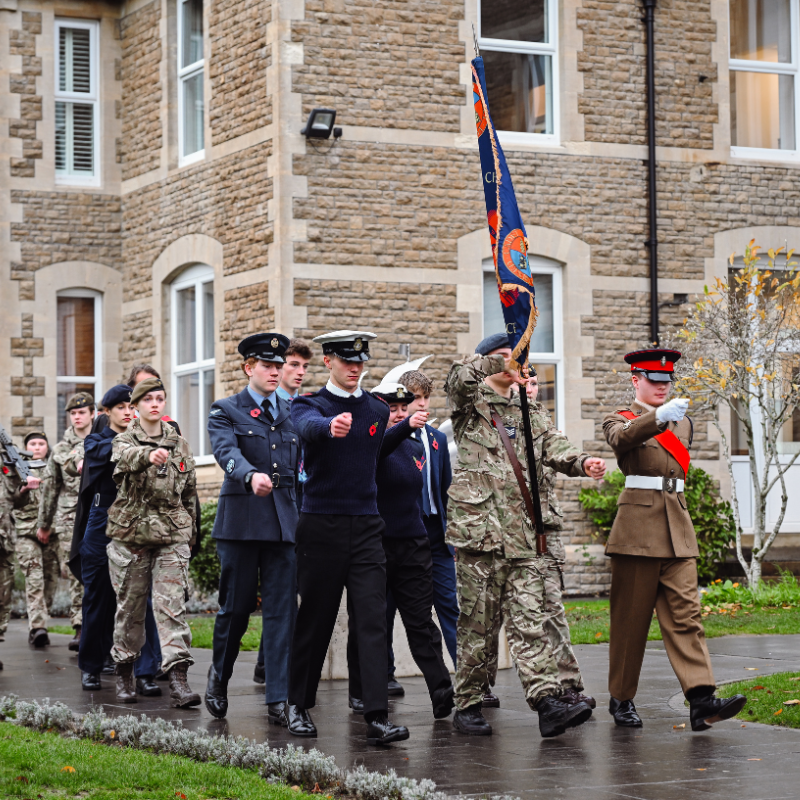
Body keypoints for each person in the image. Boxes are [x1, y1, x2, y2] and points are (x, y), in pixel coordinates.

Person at [445, 333, 607, 739]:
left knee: (530, 620)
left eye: (517, 358)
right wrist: (498, 362)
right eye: (504, 358)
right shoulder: (471, 406)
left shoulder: (530, 411)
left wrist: (583, 462)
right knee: (477, 628)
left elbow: (555, 446)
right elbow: (458, 380)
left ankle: (546, 701)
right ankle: (467, 703)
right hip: (480, 538)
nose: (514, 364)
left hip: (523, 537)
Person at [603, 348, 747, 731]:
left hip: (676, 527)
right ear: (636, 380)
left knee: (687, 616)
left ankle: (701, 699)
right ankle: (621, 698)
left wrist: (668, 418)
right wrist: (656, 419)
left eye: (667, 382)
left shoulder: (683, 424)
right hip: (637, 531)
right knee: (631, 621)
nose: (662, 388)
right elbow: (622, 440)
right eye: (654, 381)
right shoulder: (620, 418)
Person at [288, 330, 410, 745]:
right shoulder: (309, 405)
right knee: (316, 618)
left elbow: (370, 454)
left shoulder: (377, 408)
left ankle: (376, 714)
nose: (355, 368)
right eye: (346, 361)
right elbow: (308, 428)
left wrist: (405, 426)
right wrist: (329, 427)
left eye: (360, 362)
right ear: (328, 362)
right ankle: (297, 704)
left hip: (367, 525)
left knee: (373, 621)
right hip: (322, 525)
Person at [481, 369, 595, 710]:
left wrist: (585, 463)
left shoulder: (542, 425)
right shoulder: (489, 421)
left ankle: (567, 685)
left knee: (551, 609)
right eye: (524, 382)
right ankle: (478, 685)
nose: (530, 388)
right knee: (490, 614)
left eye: (534, 383)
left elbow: (563, 457)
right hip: (501, 534)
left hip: (543, 534)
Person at [204, 333, 300, 724]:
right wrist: (249, 476)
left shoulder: (293, 411)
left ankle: (278, 697)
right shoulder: (226, 409)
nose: (276, 372)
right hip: (241, 523)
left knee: (282, 613)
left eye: (280, 366)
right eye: (267, 366)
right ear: (249, 368)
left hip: (283, 525)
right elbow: (226, 454)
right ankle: (218, 677)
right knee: (236, 610)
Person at [347, 381, 454, 720]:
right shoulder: (367, 443)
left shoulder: (417, 447)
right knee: (371, 622)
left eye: (403, 408)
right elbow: (378, 451)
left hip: (413, 544)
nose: (399, 413)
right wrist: (402, 426)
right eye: (391, 408)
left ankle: (442, 691)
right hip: (373, 546)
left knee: (421, 622)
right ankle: (361, 692)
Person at [107, 377, 200, 708]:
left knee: (171, 605)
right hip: (131, 537)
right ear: (135, 407)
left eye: (160, 398)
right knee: (130, 609)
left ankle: (177, 679)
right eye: (148, 400)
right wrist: (150, 456)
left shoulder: (181, 443)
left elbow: (189, 493)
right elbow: (125, 459)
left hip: (171, 535)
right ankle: (124, 671)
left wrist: (191, 533)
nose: (155, 404)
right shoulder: (123, 441)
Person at [70, 384, 162, 693]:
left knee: (142, 599)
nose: (127, 411)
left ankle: (147, 672)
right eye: (120, 407)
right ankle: (91, 667)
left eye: (130, 406)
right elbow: (111, 454)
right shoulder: (97, 442)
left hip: (140, 522)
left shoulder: (149, 437)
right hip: (104, 522)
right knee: (98, 596)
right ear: (106, 412)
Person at [384, 368, 458, 697]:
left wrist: (451, 535)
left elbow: (443, 492)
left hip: (435, 535)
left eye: (426, 398)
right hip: (397, 534)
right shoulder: (387, 439)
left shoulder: (438, 440)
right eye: (416, 398)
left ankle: (469, 678)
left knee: (449, 607)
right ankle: (385, 674)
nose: (422, 405)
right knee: (384, 611)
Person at [252, 338, 314, 687]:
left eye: (304, 367)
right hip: (277, 503)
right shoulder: (267, 407)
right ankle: (273, 663)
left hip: (306, 501)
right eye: (293, 365)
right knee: (282, 587)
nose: (299, 372)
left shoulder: (305, 406)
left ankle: (270, 662)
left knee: (296, 586)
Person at [36, 392, 95, 652]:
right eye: (73, 413)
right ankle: (80, 626)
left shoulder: (105, 441)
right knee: (75, 571)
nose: (77, 416)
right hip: (70, 519)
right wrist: (44, 524)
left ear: (92, 413)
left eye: (82, 412)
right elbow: (50, 489)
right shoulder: (61, 449)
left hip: (99, 514)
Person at [11, 432, 54, 648]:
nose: (37, 447)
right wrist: (24, 489)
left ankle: (39, 621)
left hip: (52, 533)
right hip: (25, 532)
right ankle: (38, 628)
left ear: (47, 447)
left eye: (41, 443)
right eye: (32, 444)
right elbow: (9, 497)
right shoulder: (17, 468)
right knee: (34, 578)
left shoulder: (55, 468)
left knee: (50, 582)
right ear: (25, 447)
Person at [0, 466, 38, 654]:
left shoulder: (5, 464)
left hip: (3, 542)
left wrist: (24, 491)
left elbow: (15, 501)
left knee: (3, 597)